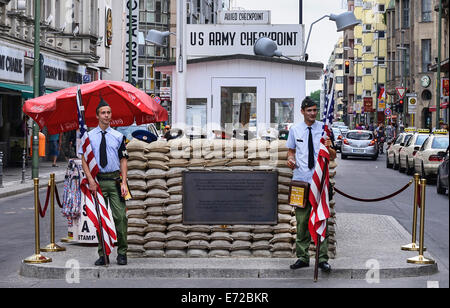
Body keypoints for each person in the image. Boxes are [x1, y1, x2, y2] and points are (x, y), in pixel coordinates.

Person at [286, 97, 336, 273]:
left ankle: (322, 259)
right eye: (309, 110)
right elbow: (290, 152)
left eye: (315, 110)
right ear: (302, 112)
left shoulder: (324, 128)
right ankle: (302, 257)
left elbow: (333, 156)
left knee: (321, 219)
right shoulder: (295, 130)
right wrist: (290, 160)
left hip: (320, 182)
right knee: (302, 222)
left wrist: (329, 147)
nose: (312, 113)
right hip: (301, 181)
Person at [79, 98, 129, 266]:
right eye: (103, 113)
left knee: (120, 217)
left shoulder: (119, 136)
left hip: (115, 181)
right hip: (98, 182)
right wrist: (91, 180)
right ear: (97, 116)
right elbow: (84, 159)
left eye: (108, 112)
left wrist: (124, 182)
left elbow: (123, 160)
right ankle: (103, 254)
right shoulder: (89, 137)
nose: (106, 115)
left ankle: (122, 252)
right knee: (100, 219)